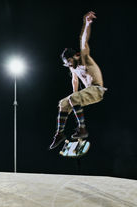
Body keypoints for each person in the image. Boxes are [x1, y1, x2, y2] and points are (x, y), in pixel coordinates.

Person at [49, 11, 107, 150]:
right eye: (67, 64)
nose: (69, 65)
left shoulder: (84, 58)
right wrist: (72, 101)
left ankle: (82, 129)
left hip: (97, 89)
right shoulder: (72, 68)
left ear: (75, 56)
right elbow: (74, 82)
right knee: (62, 103)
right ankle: (60, 133)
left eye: (70, 61)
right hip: (87, 92)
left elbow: (83, 40)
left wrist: (86, 23)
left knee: (73, 98)